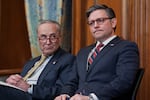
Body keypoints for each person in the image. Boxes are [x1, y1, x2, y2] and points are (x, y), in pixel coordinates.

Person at [55, 4, 140, 100]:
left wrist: (91, 98)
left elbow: (123, 81)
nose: (95, 26)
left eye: (100, 20)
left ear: (113, 22)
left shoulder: (126, 47)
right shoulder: (83, 52)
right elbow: (72, 81)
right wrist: (65, 94)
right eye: (91, 23)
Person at [0, 20, 75, 100]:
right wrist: (12, 82)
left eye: (53, 37)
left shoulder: (67, 60)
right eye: (43, 37)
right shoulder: (31, 62)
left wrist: (29, 88)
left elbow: (60, 91)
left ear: (60, 38)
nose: (48, 42)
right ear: (38, 40)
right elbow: (21, 83)